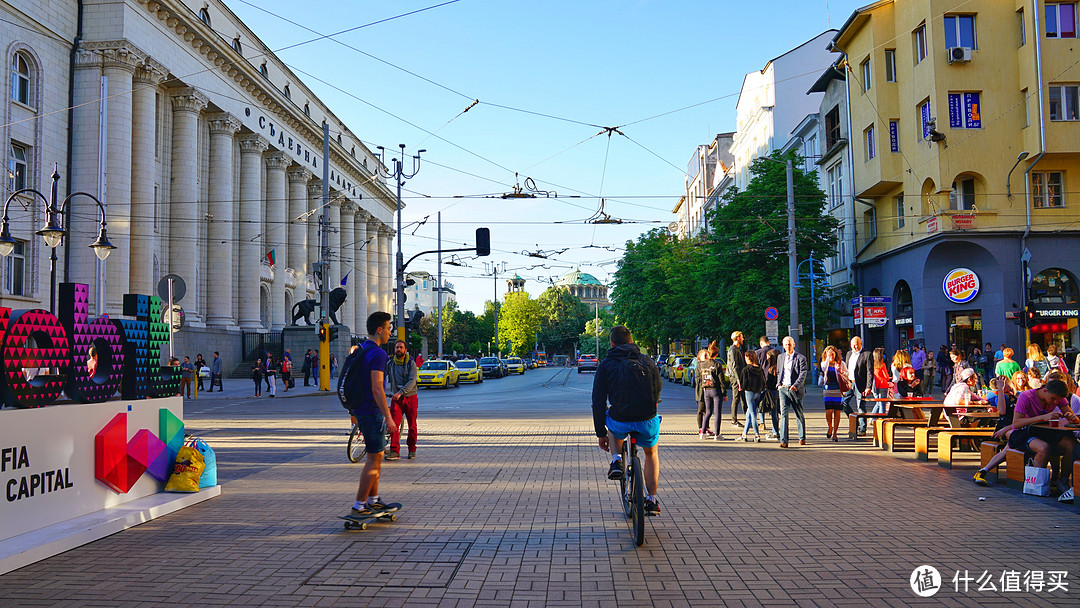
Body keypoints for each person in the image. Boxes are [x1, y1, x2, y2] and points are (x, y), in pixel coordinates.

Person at [592, 325, 663, 514]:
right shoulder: (647, 361)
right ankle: (651, 499)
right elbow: (658, 387)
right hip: (646, 418)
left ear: (612, 343)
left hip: (621, 419)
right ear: (631, 341)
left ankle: (616, 460)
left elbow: (597, 402)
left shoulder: (606, 364)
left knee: (612, 422)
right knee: (651, 453)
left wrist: (601, 434)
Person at [346, 311, 396, 518]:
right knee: (374, 459)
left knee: (377, 455)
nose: (390, 332)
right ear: (379, 330)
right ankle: (359, 505)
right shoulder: (378, 353)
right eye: (388, 328)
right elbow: (377, 388)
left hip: (360, 409)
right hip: (371, 411)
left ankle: (373, 501)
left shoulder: (361, 349)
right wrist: (389, 416)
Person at [1009, 379, 1080, 501]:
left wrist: (1073, 418)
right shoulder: (1026, 396)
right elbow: (1016, 423)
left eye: (1058, 400)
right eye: (1053, 399)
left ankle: (1062, 481)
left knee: (1071, 444)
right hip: (1024, 433)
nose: (1056, 402)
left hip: (1045, 432)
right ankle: (1036, 485)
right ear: (1045, 390)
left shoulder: (1058, 397)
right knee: (1044, 448)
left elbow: (1074, 419)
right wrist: (1042, 418)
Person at [973, 374, 1021, 486]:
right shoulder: (1001, 396)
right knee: (1013, 438)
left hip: (1015, 427)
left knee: (1011, 444)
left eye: (1009, 389)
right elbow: (1002, 411)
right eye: (1005, 391)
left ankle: (983, 471)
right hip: (1004, 428)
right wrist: (1000, 390)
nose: (1008, 392)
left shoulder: (1019, 396)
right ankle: (983, 471)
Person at [386, 339, 419, 460]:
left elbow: (412, 380)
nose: (398, 349)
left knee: (412, 426)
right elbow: (382, 376)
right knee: (393, 424)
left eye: (401, 347)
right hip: (396, 399)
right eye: (396, 347)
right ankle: (394, 450)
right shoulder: (391, 363)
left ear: (405, 350)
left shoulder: (411, 363)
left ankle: (412, 449)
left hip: (410, 397)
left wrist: (401, 392)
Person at [777, 336, 809, 448]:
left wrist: (796, 385)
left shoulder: (800, 358)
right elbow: (779, 372)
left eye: (789, 344)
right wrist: (778, 384)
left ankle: (802, 437)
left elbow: (803, 372)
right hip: (783, 389)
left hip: (795, 389)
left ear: (794, 345)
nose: (787, 346)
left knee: (798, 413)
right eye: (785, 344)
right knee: (783, 415)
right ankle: (784, 440)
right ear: (783, 346)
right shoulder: (780, 357)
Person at [844, 336, 874, 436]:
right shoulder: (849, 354)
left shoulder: (867, 354)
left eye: (857, 344)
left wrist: (868, 386)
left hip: (860, 384)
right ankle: (854, 422)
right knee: (843, 403)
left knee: (860, 406)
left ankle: (862, 428)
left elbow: (870, 371)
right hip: (849, 383)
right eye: (853, 345)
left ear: (861, 344)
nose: (855, 346)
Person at [694, 348, 725, 440]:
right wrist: (724, 393)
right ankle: (717, 435)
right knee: (717, 412)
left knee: (708, 412)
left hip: (706, 390)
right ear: (716, 354)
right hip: (715, 390)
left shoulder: (702, 365)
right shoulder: (717, 365)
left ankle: (703, 432)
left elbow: (699, 379)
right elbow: (721, 380)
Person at [820, 345, 848, 442]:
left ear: (836, 353)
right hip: (827, 390)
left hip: (838, 390)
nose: (831, 355)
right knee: (828, 411)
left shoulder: (841, 363)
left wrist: (841, 371)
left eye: (833, 353)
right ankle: (830, 427)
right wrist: (828, 357)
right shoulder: (825, 363)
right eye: (829, 353)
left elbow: (847, 373)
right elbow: (823, 368)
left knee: (837, 412)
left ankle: (835, 433)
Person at [738, 352, 765, 442]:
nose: (745, 359)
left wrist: (741, 388)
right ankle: (744, 434)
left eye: (746, 358)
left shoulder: (745, 370)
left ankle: (757, 435)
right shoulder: (760, 368)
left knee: (753, 414)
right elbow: (763, 381)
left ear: (749, 358)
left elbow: (743, 384)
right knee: (748, 413)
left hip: (749, 393)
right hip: (758, 393)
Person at [726, 331, 747, 427]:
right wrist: (739, 382)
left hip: (739, 376)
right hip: (735, 377)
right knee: (736, 398)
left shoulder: (737, 349)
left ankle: (748, 419)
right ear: (737, 338)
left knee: (743, 398)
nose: (743, 339)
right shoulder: (733, 350)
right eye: (742, 337)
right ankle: (734, 420)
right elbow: (735, 367)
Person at [761, 349, 781, 439]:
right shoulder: (780, 367)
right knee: (777, 412)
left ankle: (775, 431)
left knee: (773, 413)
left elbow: (769, 382)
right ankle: (775, 430)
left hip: (772, 392)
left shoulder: (772, 369)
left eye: (768, 358)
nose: (767, 360)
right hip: (779, 392)